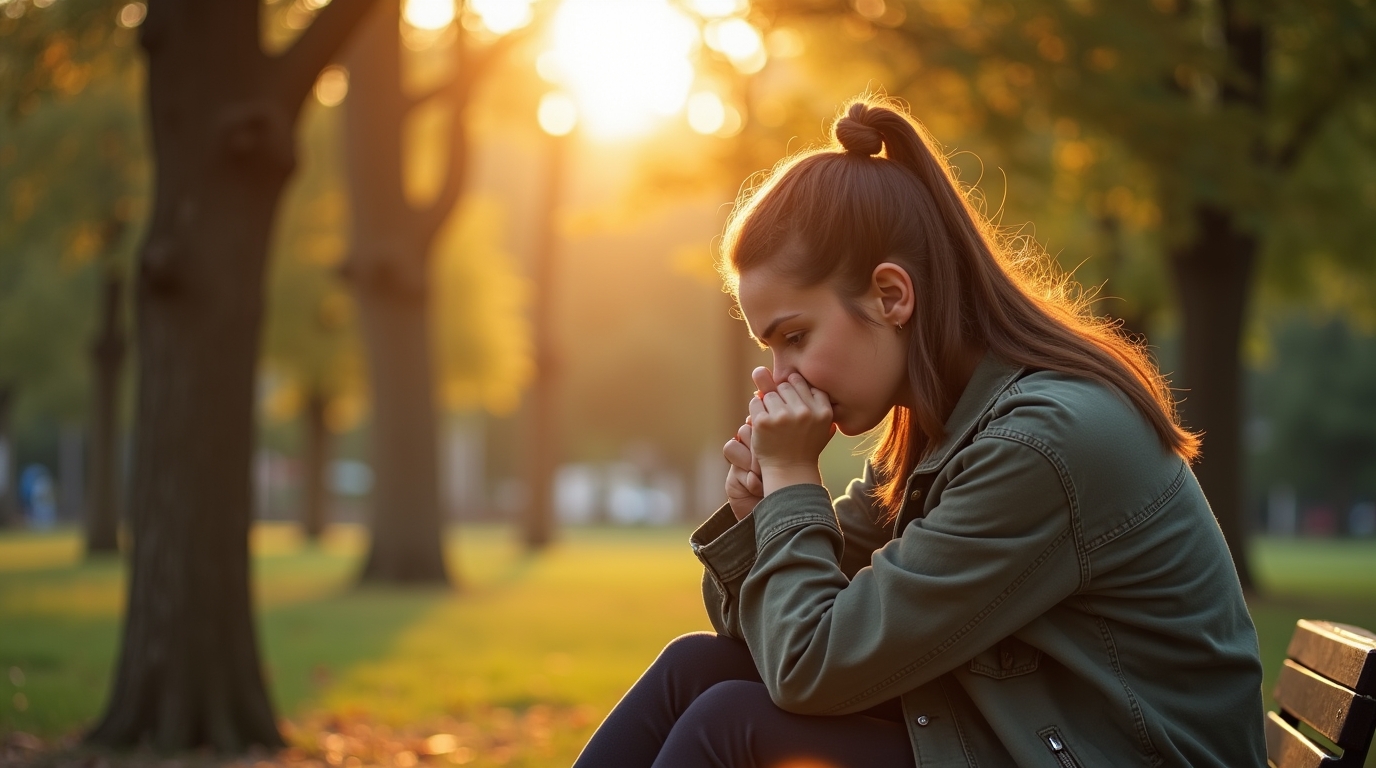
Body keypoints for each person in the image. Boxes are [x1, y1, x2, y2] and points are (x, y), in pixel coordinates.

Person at [572, 97, 1266, 767]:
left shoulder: (1040, 445)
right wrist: (763, 517)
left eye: (794, 337)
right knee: (693, 670)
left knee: (734, 731)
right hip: (1019, 742)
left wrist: (791, 489)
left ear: (891, 295)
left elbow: (810, 668)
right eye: (768, 347)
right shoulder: (941, 429)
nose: (775, 378)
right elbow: (779, 636)